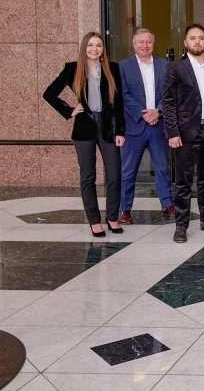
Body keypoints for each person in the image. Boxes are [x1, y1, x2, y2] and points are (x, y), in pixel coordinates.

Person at [43, 32, 126, 237]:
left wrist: (120, 131)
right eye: (90, 45)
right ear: (84, 48)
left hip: (108, 128)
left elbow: (118, 104)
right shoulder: (72, 68)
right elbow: (49, 94)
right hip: (84, 128)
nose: (94, 49)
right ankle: (94, 221)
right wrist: (69, 110)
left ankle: (112, 217)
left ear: (103, 49)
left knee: (115, 174)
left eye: (98, 45)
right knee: (88, 176)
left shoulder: (113, 68)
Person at [161, 24, 204, 242]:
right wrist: (173, 132)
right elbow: (168, 102)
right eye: (193, 38)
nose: (197, 41)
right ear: (185, 42)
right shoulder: (176, 68)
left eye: (201, 38)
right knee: (183, 181)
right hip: (185, 132)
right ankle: (181, 225)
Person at [118, 27, 172, 223]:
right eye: (141, 42)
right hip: (134, 126)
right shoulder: (123, 67)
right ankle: (125, 210)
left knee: (162, 168)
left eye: (148, 42)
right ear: (134, 44)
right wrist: (144, 114)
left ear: (153, 43)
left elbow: (170, 93)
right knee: (128, 171)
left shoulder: (165, 65)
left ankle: (167, 205)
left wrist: (158, 111)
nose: (145, 45)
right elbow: (123, 94)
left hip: (158, 124)